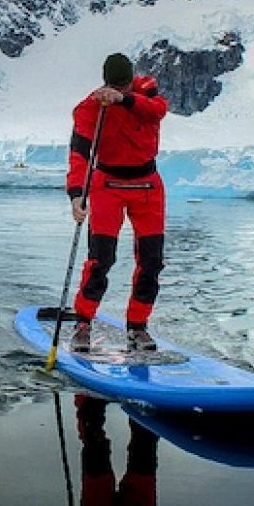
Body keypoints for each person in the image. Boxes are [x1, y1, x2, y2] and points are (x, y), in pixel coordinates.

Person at [67, 53, 168, 352]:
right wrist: (76, 194)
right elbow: (80, 154)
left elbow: (157, 110)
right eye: (118, 87)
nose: (123, 90)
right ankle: (83, 322)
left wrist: (125, 100)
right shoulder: (90, 108)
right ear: (107, 82)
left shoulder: (146, 91)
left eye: (126, 86)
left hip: (148, 186)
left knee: (151, 261)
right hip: (107, 186)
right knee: (101, 259)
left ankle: (137, 327)